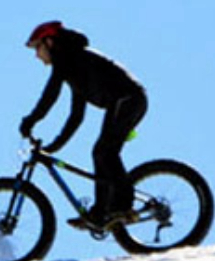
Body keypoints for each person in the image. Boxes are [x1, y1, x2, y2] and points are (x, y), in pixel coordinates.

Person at [19, 20, 148, 229]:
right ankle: (100, 213)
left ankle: (124, 206)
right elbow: (75, 117)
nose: (37, 55)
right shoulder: (74, 66)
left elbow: (50, 95)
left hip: (128, 99)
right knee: (101, 153)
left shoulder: (67, 59)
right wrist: (53, 148)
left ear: (49, 42)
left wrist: (30, 120)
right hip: (126, 102)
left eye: (37, 48)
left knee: (104, 152)